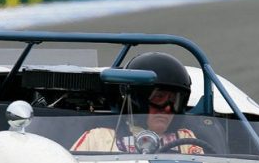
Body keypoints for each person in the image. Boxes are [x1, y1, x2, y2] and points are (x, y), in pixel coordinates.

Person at [71, 52, 204, 154]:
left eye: (174, 101)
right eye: (159, 97)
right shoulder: (99, 138)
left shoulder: (185, 139)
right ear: (137, 99)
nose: (168, 108)